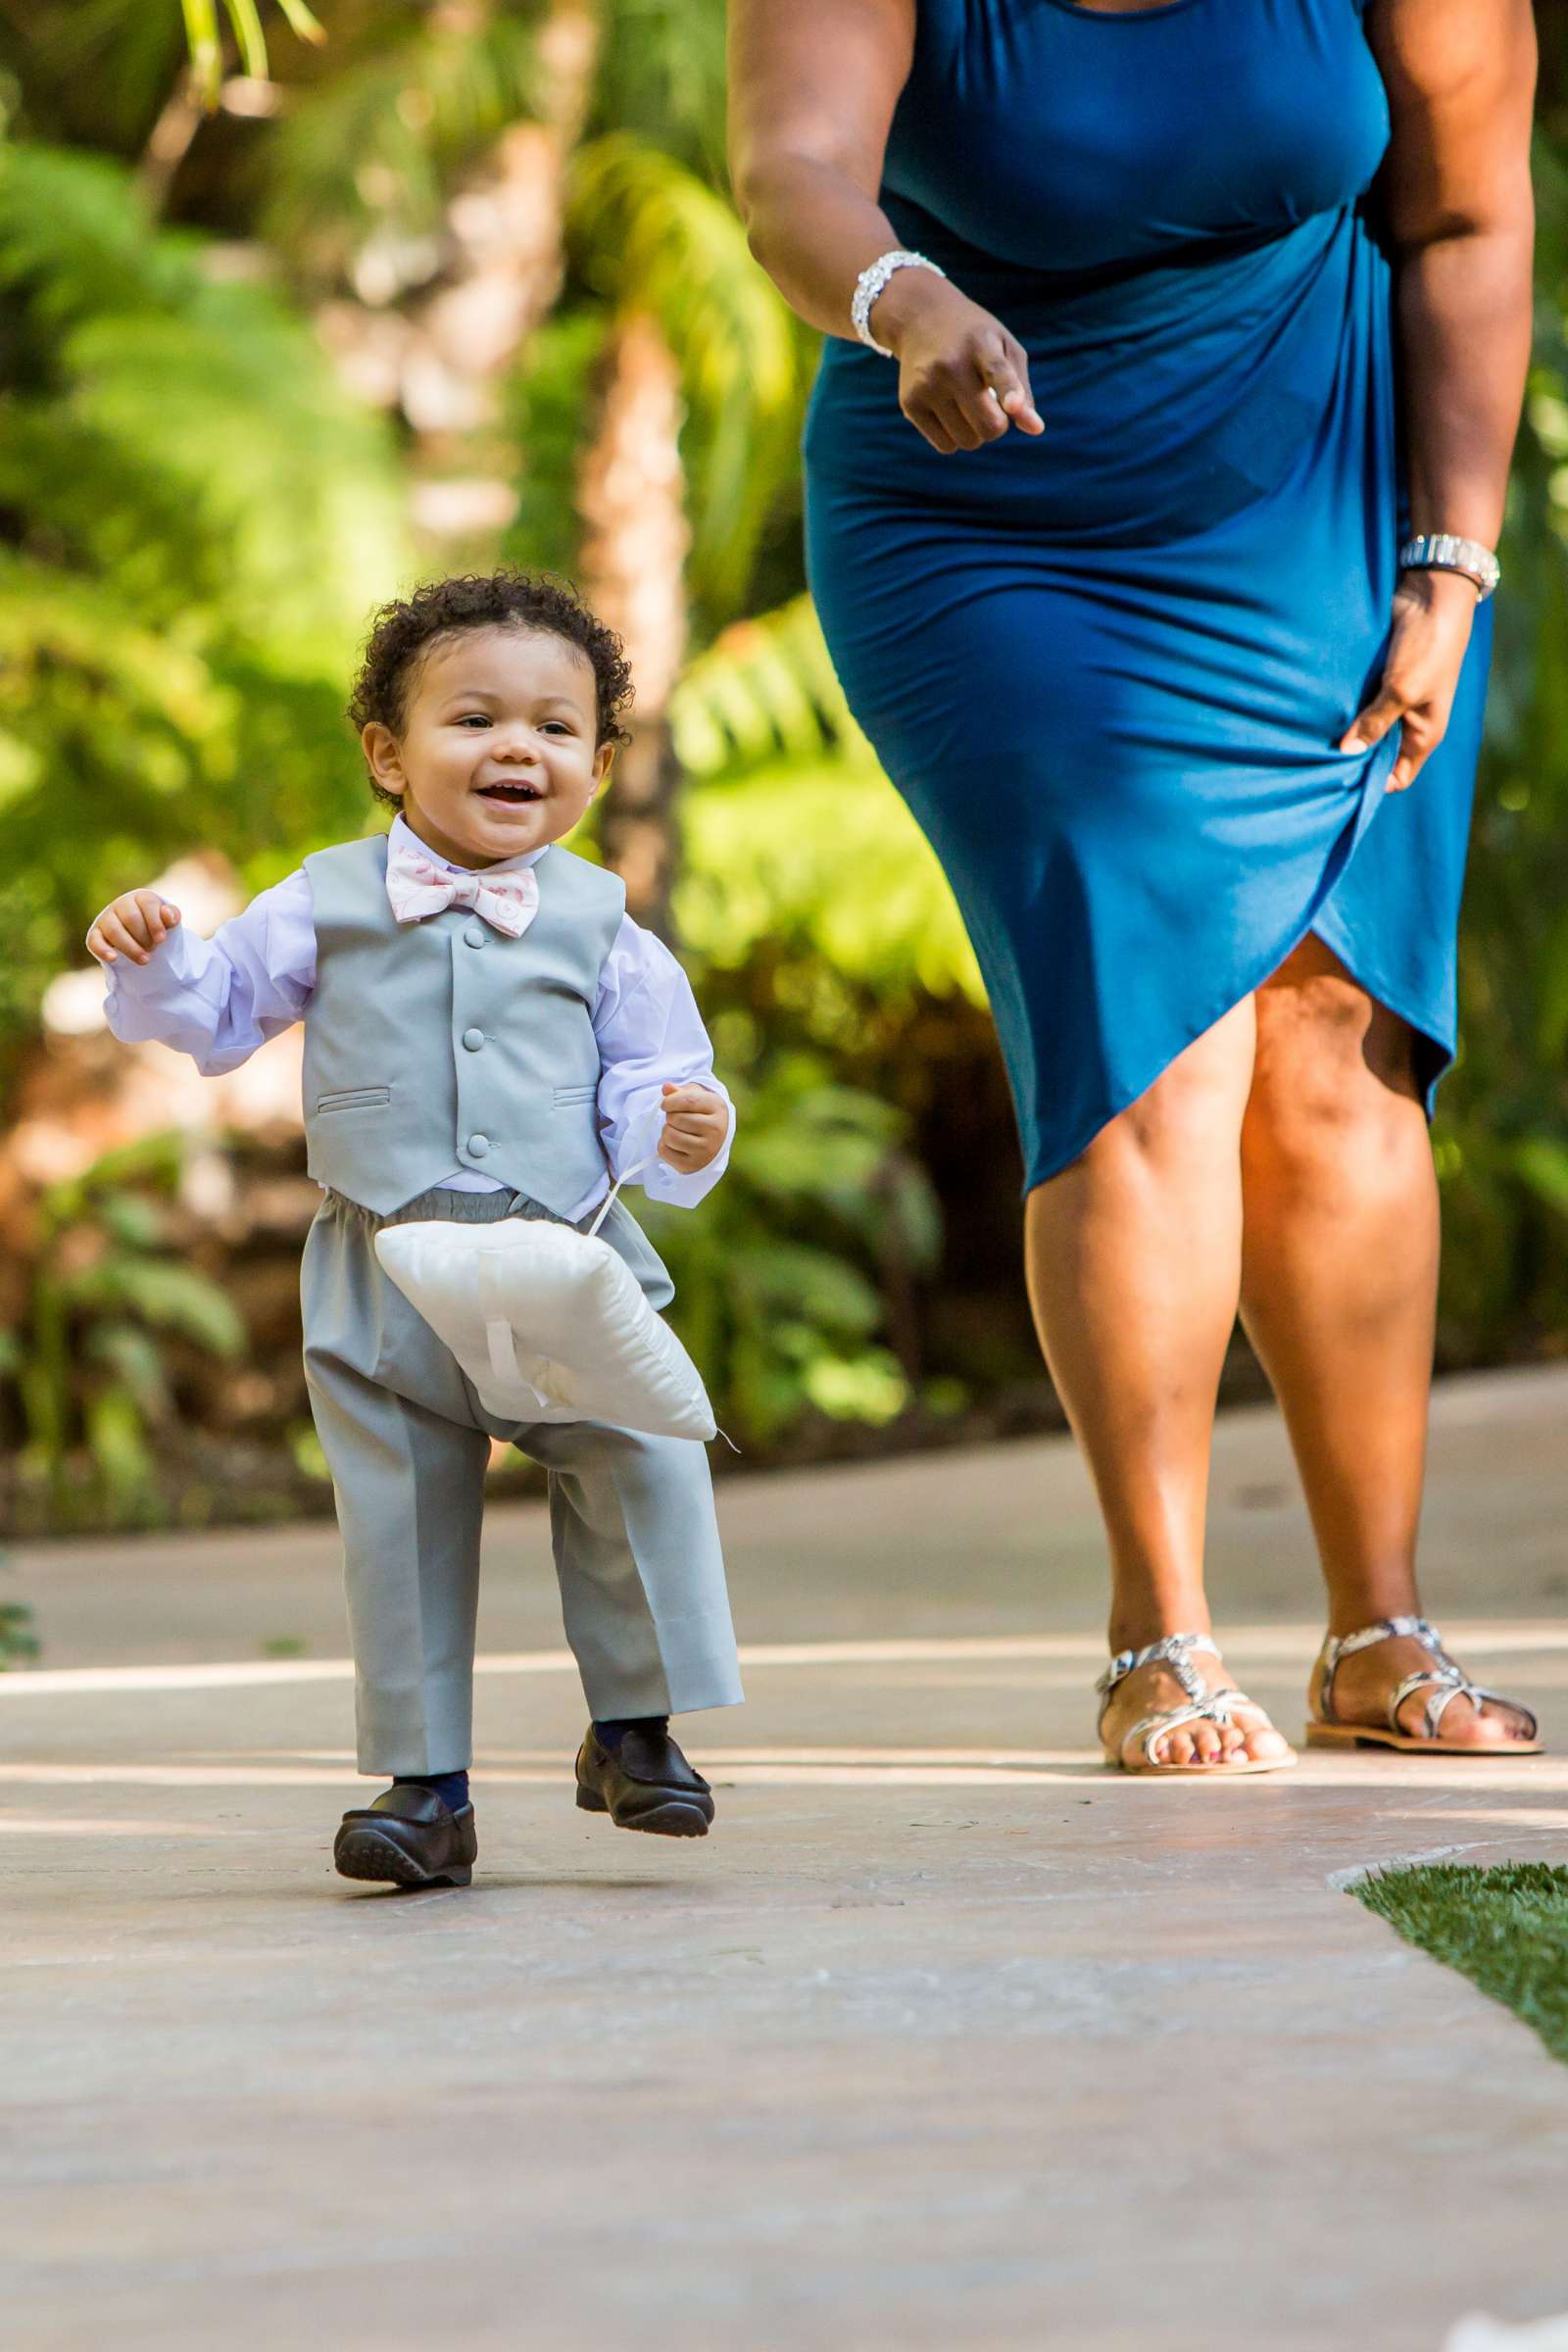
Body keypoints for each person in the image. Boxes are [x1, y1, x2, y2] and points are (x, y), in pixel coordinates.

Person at [729, 0, 1543, 1770]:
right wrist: (902, 299)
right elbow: (791, 171)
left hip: (1330, 504)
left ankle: (1376, 1630)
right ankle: (1158, 1634)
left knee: (1341, 1039)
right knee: (1154, 1028)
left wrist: (1453, 564)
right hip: (988, 511)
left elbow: (1469, 216)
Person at [86, 570, 744, 1883]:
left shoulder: (607, 925)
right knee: (399, 1518)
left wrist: (680, 1123)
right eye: (476, 719)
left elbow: (655, 1070)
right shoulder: (323, 900)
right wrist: (155, 955)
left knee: (640, 1456)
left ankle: (635, 1727)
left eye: (557, 729)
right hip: (383, 1263)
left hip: (567, 1260)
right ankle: (425, 1790)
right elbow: (216, 1015)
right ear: (389, 752)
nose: (518, 747)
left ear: (599, 765)